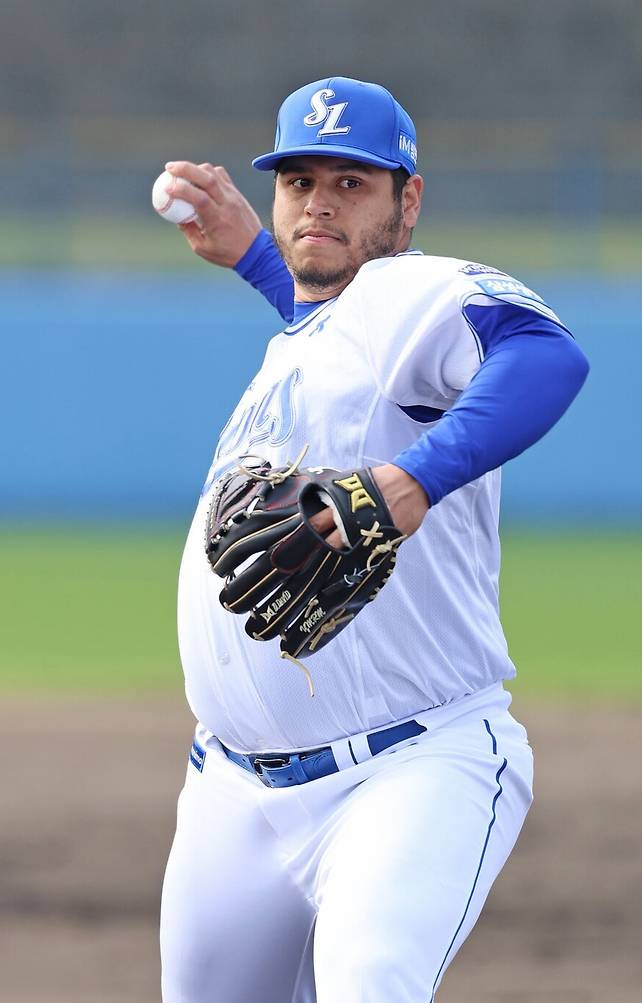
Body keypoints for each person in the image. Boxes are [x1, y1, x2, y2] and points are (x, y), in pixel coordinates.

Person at [159, 77, 589, 1003]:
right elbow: (335, 331)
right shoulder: (314, 336)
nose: (319, 200)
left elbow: (546, 352)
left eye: (352, 183)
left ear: (409, 200)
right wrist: (257, 263)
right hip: (233, 796)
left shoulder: (414, 286)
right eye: (299, 180)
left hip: (407, 768)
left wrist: (410, 480)